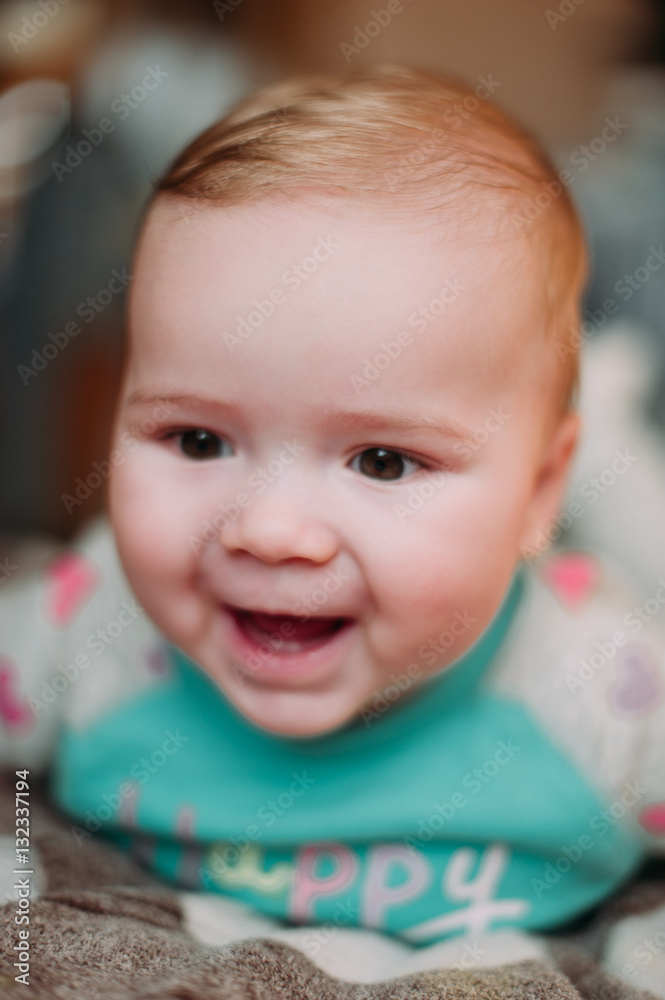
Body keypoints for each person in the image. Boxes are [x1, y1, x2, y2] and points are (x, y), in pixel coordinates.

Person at [1, 66, 664, 946]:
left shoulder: (603, 696)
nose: (271, 532)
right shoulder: (91, 625)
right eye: (198, 441)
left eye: (383, 461)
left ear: (542, 492)